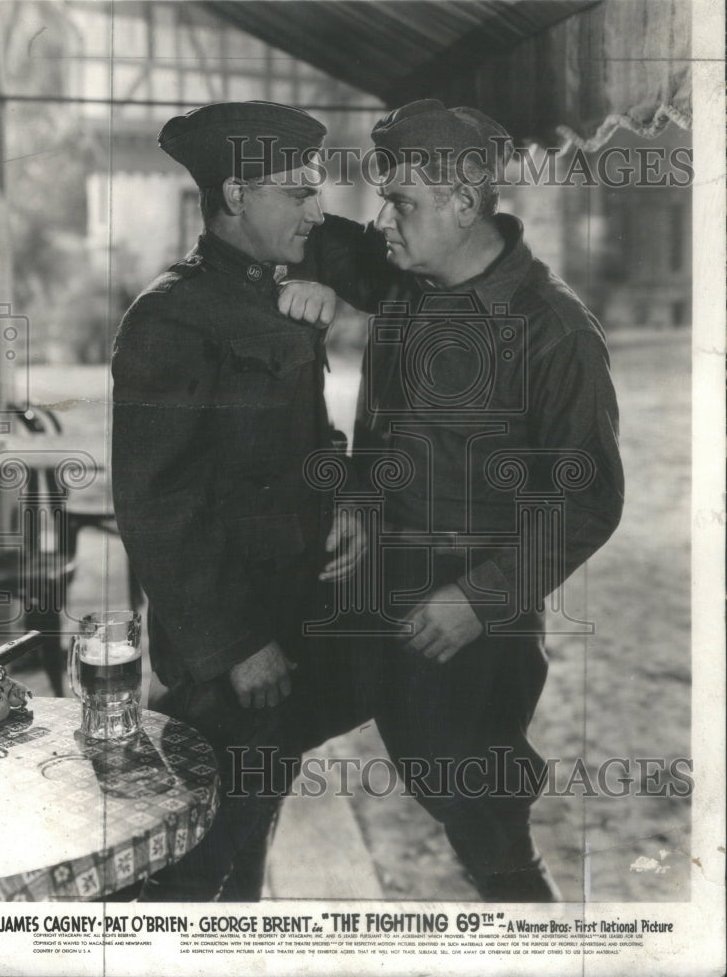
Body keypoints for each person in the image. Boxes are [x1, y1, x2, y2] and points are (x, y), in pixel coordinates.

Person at [279, 98, 625, 901]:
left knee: (482, 818)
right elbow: (299, 230)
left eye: (399, 204)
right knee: (248, 721)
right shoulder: (407, 273)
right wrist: (299, 281)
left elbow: (589, 500)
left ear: (464, 203)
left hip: (468, 624)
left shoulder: (554, 332)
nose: (383, 222)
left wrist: (479, 600)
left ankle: (536, 936)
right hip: (363, 586)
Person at [111, 101, 349, 901]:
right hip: (223, 664)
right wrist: (237, 644)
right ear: (238, 194)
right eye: (299, 191)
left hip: (287, 629)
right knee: (189, 868)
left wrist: (346, 493)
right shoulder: (171, 317)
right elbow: (155, 502)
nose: (316, 210)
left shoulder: (275, 300)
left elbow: (310, 441)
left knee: (246, 853)